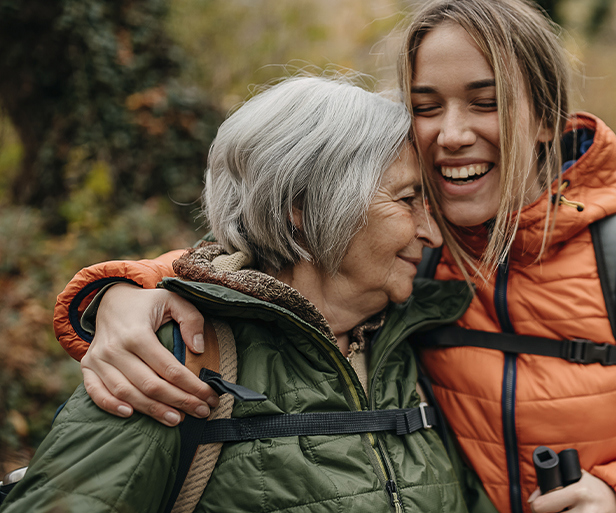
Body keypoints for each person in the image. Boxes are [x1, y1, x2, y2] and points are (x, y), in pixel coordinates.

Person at [51, 1, 616, 512]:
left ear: (547, 116)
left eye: (485, 102)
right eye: (426, 105)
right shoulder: (405, 255)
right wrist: (124, 290)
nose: (451, 133)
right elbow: (265, 254)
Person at [4, 75, 496, 512]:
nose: (432, 232)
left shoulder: (420, 351)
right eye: (408, 199)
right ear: (303, 206)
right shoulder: (172, 363)